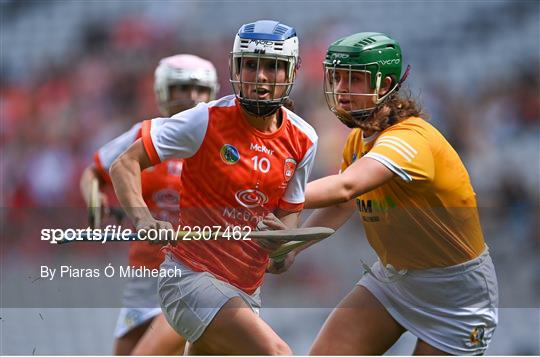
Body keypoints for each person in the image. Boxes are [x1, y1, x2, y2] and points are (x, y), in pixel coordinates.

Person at [263, 32, 498, 355]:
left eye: (355, 79)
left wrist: (264, 189)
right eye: (337, 77)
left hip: (456, 294)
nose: (342, 89)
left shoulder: (411, 140)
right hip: (392, 281)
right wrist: (294, 245)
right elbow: (345, 202)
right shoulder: (360, 140)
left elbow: (347, 186)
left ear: (384, 85)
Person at [109, 20, 318, 355]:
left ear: (291, 72)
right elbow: (124, 163)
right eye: (250, 65)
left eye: (272, 67)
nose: (260, 77)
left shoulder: (305, 140)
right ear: (236, 67)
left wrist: (280, 249)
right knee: (279, 353)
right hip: (189, 280)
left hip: (246, 292)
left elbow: (287, 224)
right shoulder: (204, 119)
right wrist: (144, 220)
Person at [80, 54, 219, 355]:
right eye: (181, 87)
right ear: (162, 92)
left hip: (195, 277)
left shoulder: (223, 146)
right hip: (144, 276)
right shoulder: (143, 136)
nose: (191, 97)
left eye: (199, 89)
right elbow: (94, 172)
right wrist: (95, 201)